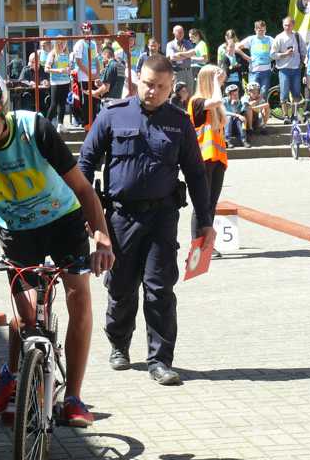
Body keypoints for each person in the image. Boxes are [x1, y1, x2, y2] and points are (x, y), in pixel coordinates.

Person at [0, 67, 115, 427]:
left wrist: (101, 236)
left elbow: (84, 190)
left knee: (78, 294)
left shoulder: (34, 128)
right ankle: (13, 370)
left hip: (62, 220)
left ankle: (73, 397)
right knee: (25, 313)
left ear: (4, 109)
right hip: (16, 229)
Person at [78, 55, 215, 385]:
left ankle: (160, 360)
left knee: (159, 289)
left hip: (161, 217)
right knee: (122, 287)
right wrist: (88, 217)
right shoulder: (112, 115)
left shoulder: (179, 122)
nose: (152, 91)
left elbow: (196, 174)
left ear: (172, 88)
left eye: (161, 87)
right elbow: (84, 165)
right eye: (148, 84)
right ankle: (119, 345)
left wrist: (205, 222)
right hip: (120, 216)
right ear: (137, 80)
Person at [187, 64, 229, 241]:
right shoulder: (196, 101)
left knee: (211, 204)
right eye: (215, 80)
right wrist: (215, 81)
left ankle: (206, 243)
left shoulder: (215, 108)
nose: (219, 83)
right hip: (202, 159)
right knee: (201, 205)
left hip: (218, 160)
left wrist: (219, 77)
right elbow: (217, 100)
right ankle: (197, 242)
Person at [272, 16, 305, 112]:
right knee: (284, 94)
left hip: (296, 69)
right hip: (284, 70)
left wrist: (303, 63)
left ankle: (295, 115)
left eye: (289, 25)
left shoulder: (298, 36)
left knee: (296, 93)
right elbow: (272, 55)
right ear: (282, 25)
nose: (287, 27)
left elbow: (303, 51)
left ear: (293, 25)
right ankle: (286, 116)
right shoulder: (279, 37)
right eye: (285, 25)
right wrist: (284, 54)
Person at [72, 21, 101, 126]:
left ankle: (93, 121)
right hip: (84, 76)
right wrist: (89, 74)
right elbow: (78, 62)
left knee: (95, 100)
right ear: (82, 33)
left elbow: (96, 59)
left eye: (89, 31)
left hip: (93, 75)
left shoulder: (93, 43)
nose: (87, 34)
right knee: (86, 101)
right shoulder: (79, 44)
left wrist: (97, 73)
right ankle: (87, 123)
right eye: (85, 32)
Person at [238, 20, 275, 97]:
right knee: (252, 94)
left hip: (266, 71)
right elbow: (236, 47)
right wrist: (247, 57)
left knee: (264, 93)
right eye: (259, 30)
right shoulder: (251, 39)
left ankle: (262, 109)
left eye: (263, 30)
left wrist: (272, 57)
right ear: (255, 30)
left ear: (265, 30)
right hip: (253, 71)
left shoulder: (269, 39)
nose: (261, 32)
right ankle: (252, 109)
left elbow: (278, 48)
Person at [45, 38, 72, 127]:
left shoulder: (67, 54)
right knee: (53, 104)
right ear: (56, 44)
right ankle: (46, 124)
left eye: (63, 43)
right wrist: (58, 70)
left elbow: (69, 67)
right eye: (60, 43)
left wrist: (68, 70)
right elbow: (46, 69)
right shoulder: (52, 54)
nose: (62, 45)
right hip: (55, 83)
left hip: (66, 82)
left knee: (62, 104)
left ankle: (60, 124)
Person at [166, 25, 194, 91]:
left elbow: (193, 53)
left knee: (190, 93)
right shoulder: (170, 44)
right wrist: (187, 55)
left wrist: (179, 54)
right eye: (179, 32)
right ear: (174, 33)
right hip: (178, 73)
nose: (181, 34)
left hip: (188, 72)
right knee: (178, 94)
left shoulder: (188, 43)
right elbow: (172, 57)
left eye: (182, 32)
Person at [223, 83, 250, 148]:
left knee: (240, 119)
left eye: (237, 94)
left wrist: (236, 106)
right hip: (226, 124)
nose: (236, 96)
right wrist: (236, 114)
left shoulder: (239, 101)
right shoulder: (224, 100)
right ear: (229, 95)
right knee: (229, 117)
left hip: (236, 125)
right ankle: (227, 140)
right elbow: (223, 112)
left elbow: (242, 112)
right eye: (234, 95)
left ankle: (243, 140)